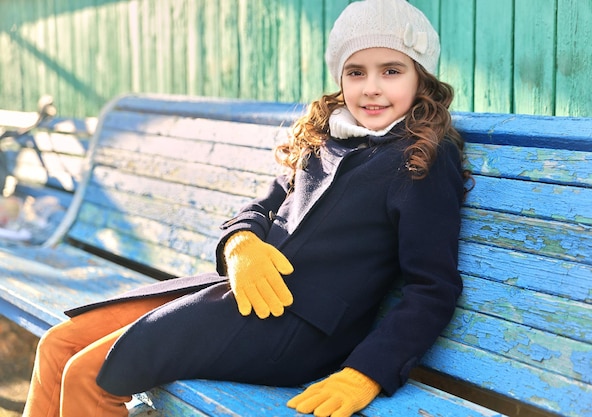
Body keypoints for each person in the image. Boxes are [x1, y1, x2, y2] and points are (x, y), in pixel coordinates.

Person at [23, 0, 470, 416]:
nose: (371, 89)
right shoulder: (328, 137)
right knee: (58, 346)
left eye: (390, 70)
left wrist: (368, 372)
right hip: (241, 295)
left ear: (420, 76)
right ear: (340, 78)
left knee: (91, 376)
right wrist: (240, 243)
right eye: (356, 72)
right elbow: (263, 203)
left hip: (297, 331)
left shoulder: (422, 156)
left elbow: (433, 287)